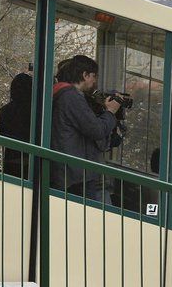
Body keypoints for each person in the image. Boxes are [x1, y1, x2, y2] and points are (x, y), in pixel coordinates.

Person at [50, 55, 120, 201]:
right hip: (75, 175)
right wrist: (110, 112)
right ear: (84, 75)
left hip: (63, 170)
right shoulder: (71, 96)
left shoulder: (57, 93)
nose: (95, 81)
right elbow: (97, 130)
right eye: (94, 76)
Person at [0, 72, 32, 178]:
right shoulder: (36, 112)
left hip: (11, 161)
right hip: (30, 162)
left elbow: (3, 134)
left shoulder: (5, 111)